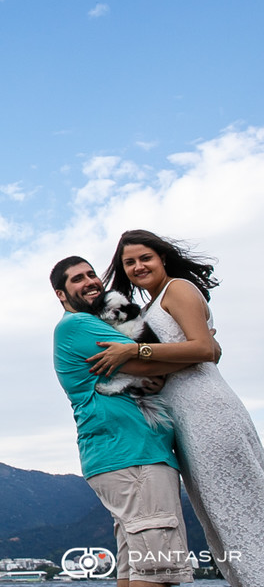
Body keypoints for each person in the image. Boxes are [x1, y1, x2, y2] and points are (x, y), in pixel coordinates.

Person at [87, 230, 264, 587]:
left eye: (145, 258)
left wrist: (135, 352)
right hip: (181, 424)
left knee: (244, 512)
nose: (138, 266)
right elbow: (203, 350)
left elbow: (203, 350)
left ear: (162, 258)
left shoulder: (179, 288)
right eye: (130, 262)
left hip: (208, 411)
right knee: (219, 520)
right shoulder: (147, 309)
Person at [52, 255, 194, 587]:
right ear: (61, 294)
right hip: (133, 456)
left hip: (119, 457)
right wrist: (201, 346)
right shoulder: (79, 326)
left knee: (136, 571)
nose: (90, 281)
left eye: (91, 274)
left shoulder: (88, 325)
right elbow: (154, 362)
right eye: (77, 279)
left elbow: (147, 362)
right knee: (159, 573)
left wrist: (151, 363)